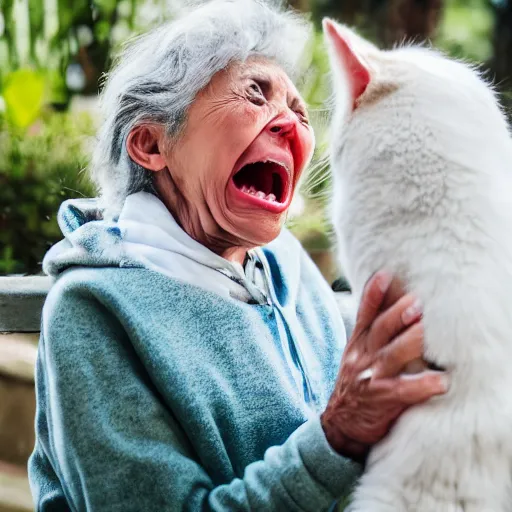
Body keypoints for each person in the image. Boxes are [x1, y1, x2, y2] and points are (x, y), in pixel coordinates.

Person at [28, 1, 447, 510]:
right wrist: (338, 434)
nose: (290, 125)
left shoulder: (285, 263)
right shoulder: (92, 309)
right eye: (255, 92)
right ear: (150, 143)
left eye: (298, 111)